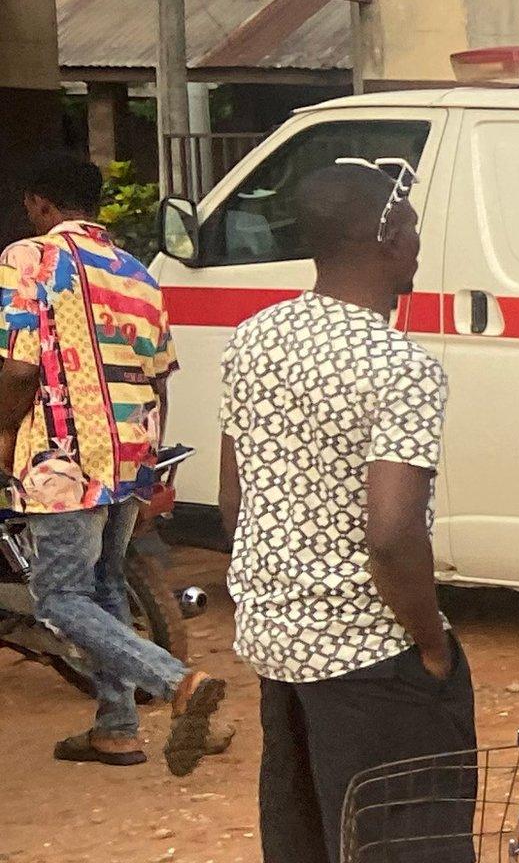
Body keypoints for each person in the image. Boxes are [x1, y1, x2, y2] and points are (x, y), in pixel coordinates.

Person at [220, 162, 476, 862]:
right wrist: (429, 645)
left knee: (307, 834)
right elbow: (392, 535)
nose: (419, 244)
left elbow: (234, 501)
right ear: (388, 234)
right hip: (372, 657)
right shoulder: (401, 366)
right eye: (414, 228)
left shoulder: (254, 338)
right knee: (403, 842)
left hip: (280, 651)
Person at [0, 152, 229, 775]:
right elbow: (160, 381)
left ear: (37, 204)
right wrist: (146, 458)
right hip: (131, 456)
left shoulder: (30, 258)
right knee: (103, 588)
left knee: (57, 596)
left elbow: (20, 369)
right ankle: (116, 730)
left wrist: (2, 437)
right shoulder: (137, 273)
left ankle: (179, 681)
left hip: (61, 459)